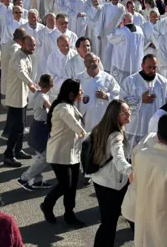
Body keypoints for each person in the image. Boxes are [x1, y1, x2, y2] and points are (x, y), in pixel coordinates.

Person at [121, 113, 167, 247]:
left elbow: (137, 151)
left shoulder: (142, 155)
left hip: (142, 229)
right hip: (165, 236)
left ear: (158, 135)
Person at [41, 79, 86, 226]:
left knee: (72, 187)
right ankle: (47, 204)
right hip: (59, 154)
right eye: (80, 91)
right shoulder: (63, 109)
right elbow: (78, 129)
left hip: (72, 153)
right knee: (65, 185)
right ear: (72, 93)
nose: (82, 93)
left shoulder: (71, 106)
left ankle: (69, 214)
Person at [91, 99, 134, 247]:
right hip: (113, 184)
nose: (129, 114)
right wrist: (130, 170)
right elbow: (118, 158)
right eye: (124, 112)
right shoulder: (116, 135)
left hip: (99, 180)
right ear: (115, 115)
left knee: (108, 222)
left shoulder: (100, 128)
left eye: (129, 110)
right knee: (111, 222)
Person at [120, 54, 167, 152]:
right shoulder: (130, 81)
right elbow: (121, 104)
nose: (152, 70)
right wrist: (140, 100)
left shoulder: (164, 84)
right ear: (142, 66)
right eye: (149, 67)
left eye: (154, 68)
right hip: (134, 129)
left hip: (156, 131)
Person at [3, 35, 37, 168]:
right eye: (30, 45)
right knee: (15, 127)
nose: (32, 47)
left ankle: (17, 150)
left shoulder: (26, 55)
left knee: (21, 126)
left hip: (22, 96)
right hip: (16, 98)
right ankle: (8, 155)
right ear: (22, 44)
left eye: (34, 45)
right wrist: (30, 84)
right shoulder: (18, 57)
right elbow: (21, 71)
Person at [16, 74, 54, 191]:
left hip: (36, 127)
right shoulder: (43, 98)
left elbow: (35, 89)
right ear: (51, 86)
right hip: (41, 130)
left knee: (39, 155)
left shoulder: (37, 93)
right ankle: (24, 178)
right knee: (45, 157)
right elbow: (52, 109)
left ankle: (38, 181)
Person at [77, 53, 121, 133]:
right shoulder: (79, 78)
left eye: (93, 61)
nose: (91, 63)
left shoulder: (108, 78)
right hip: (85, 121)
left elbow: (118, 94)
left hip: (103, 119)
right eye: (88, 61)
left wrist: (106, 96)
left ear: (98, 61)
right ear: (84, 63)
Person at [107, 13, 145, 83]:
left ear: (123, 20)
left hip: (123, 64)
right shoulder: (140, 30)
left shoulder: (121, 31)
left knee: (122, 84)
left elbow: (110, 37)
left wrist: (118, 26)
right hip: (136, 64)